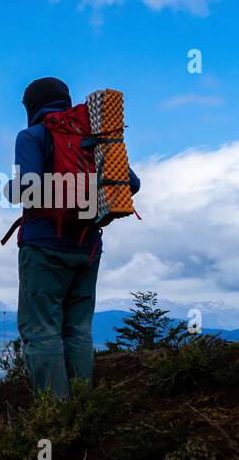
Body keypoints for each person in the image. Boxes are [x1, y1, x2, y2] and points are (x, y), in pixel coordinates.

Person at [7, 77, 140, 397]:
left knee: (42, 333)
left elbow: (28, 189)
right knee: (78, 330)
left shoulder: (31, 136)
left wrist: (9, 189)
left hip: (44, 247)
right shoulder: (98, 138)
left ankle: (55, 418)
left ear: (31, 106)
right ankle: (83, 408)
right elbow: (131, 185)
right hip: (88, 246)